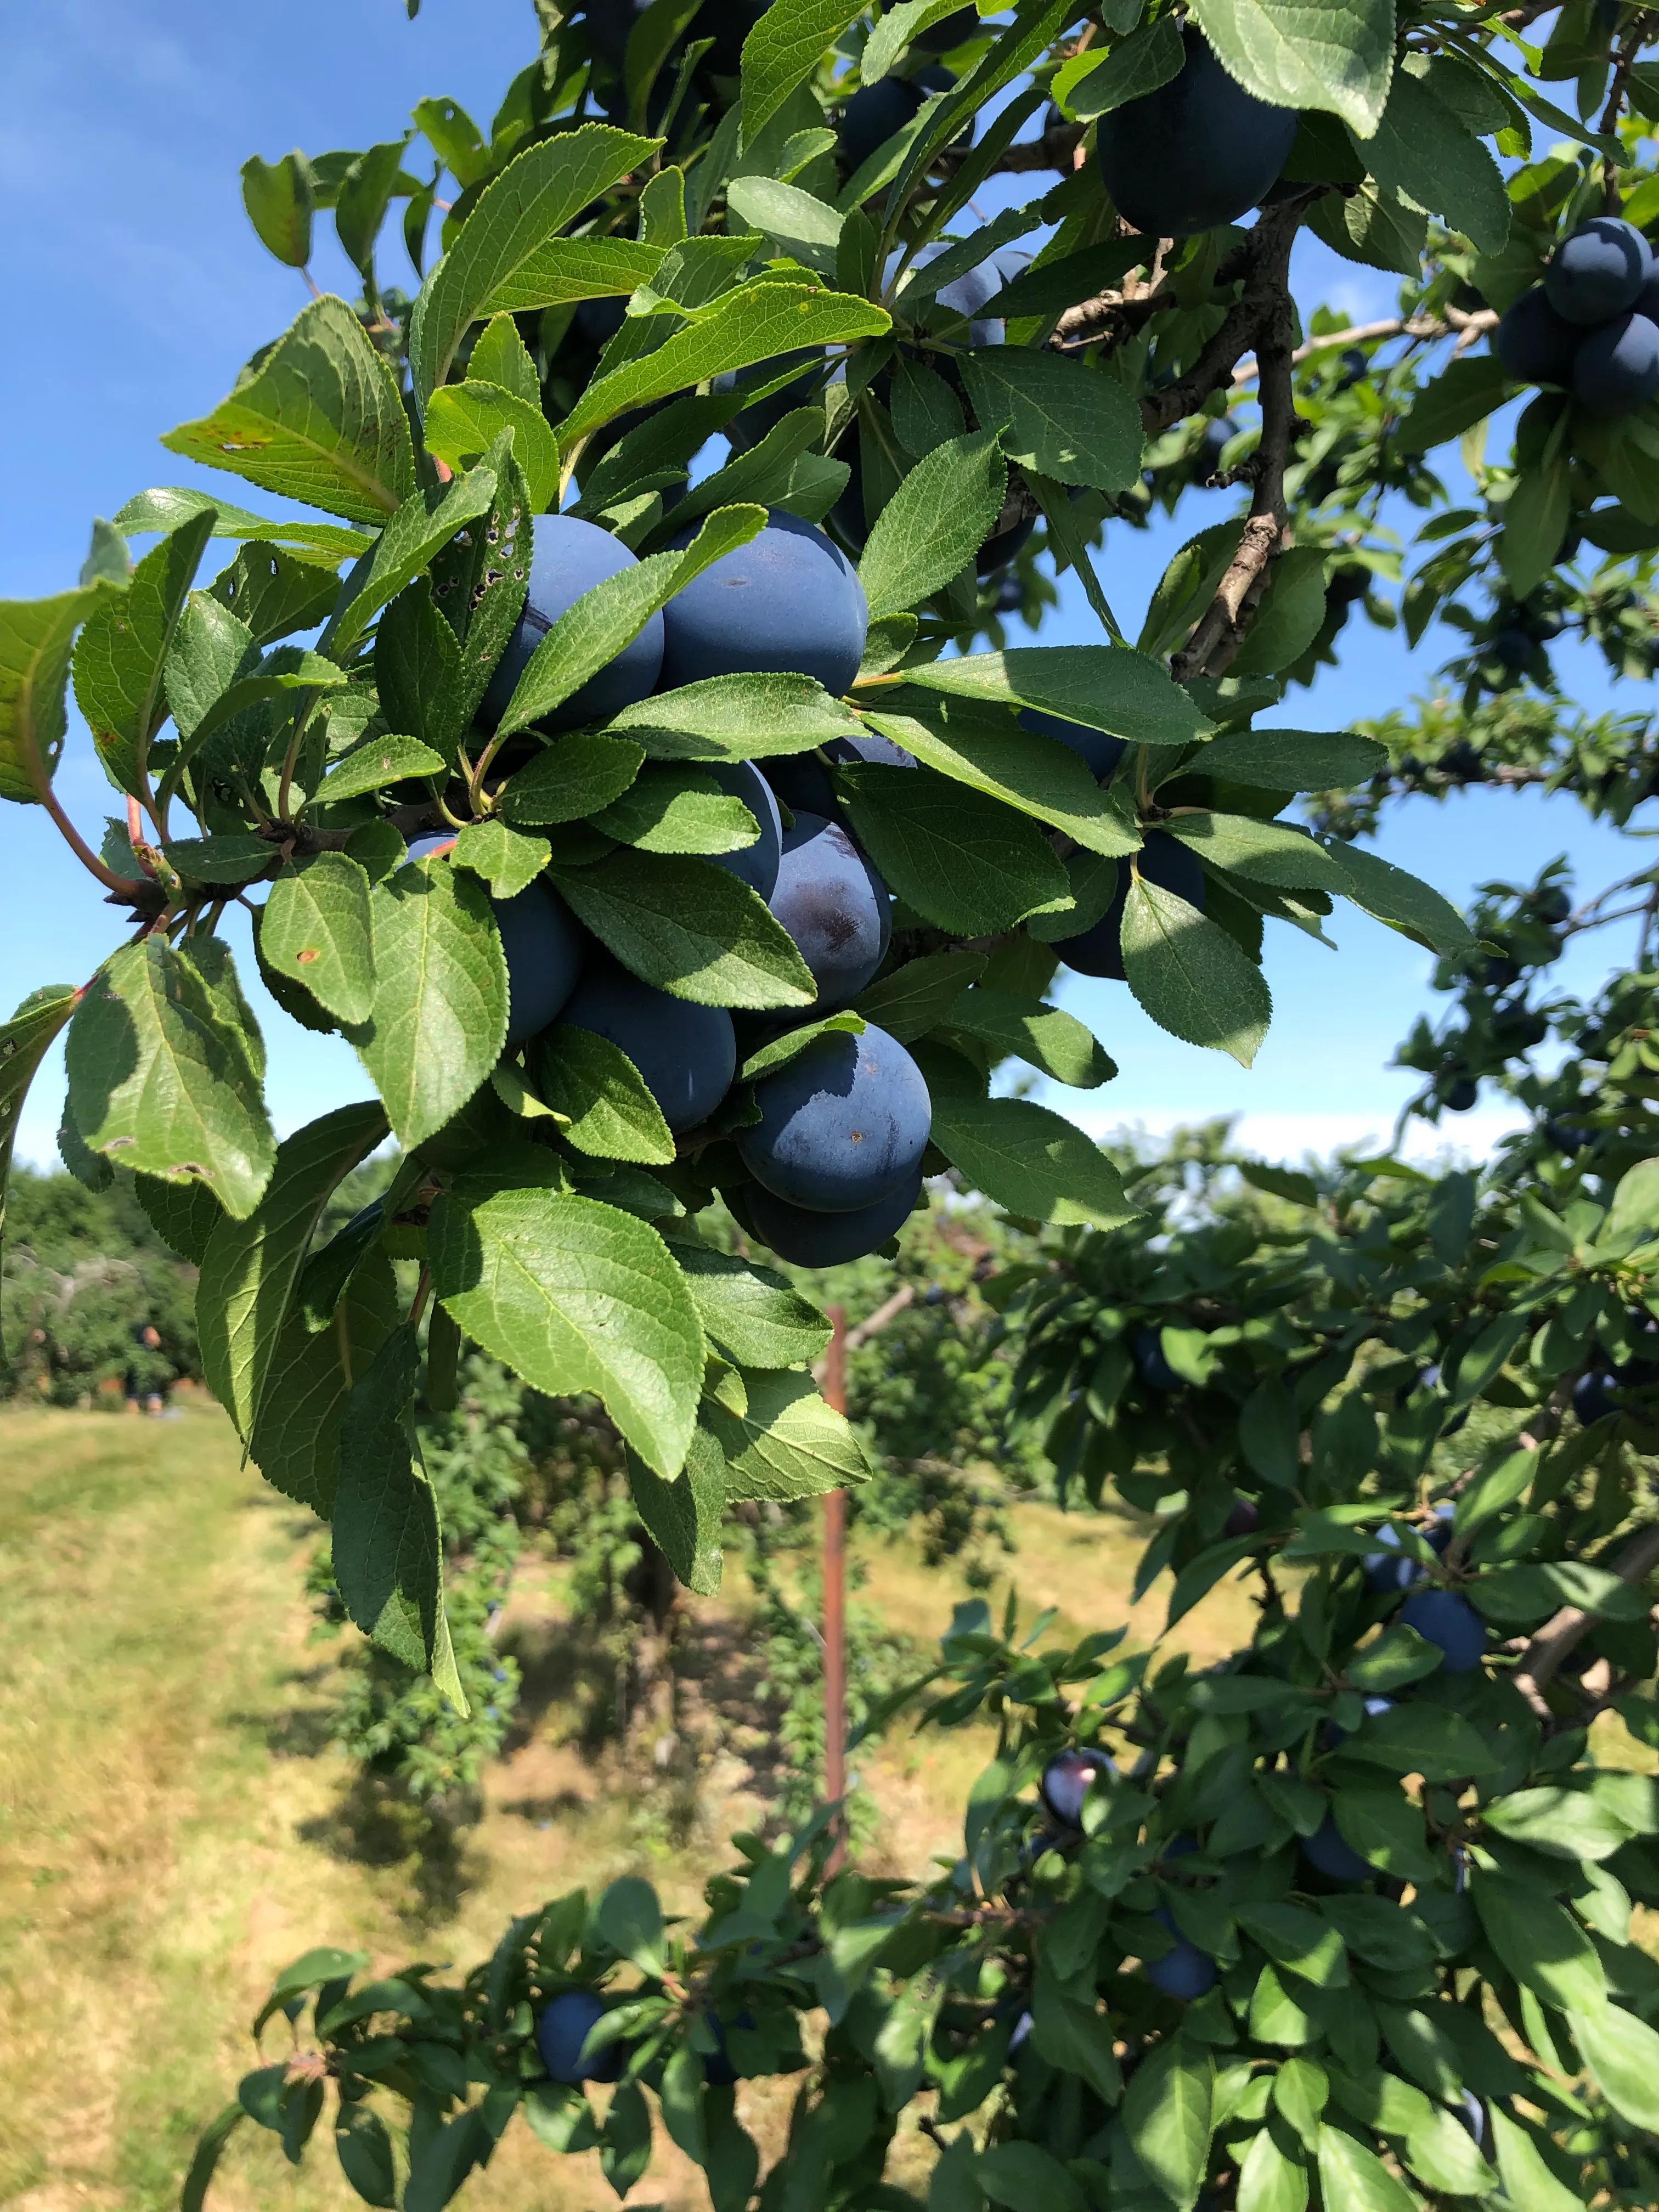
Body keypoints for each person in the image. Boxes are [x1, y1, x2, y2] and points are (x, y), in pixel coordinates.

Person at [124, 1322, 168, 1416]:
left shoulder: (154, 1354)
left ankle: (152, 1413)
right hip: (137, 1377)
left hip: (149, 1379)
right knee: (135, 1398)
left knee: (151, 1395)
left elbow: (156, 1340)